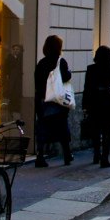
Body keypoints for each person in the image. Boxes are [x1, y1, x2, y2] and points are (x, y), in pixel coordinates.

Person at [33, 35, 73, 167]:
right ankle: (67, 155)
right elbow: (66, 77)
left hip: (44, 99)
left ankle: (40, 156)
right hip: (57, 100)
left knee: (42, 128)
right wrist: (69, 73)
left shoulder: (41, 63)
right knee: (62, 127)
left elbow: (37, 81)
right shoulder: (60, 62)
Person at [83, 45, 110, 168]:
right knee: (107, 130)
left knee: (95, 129)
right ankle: (105, 157)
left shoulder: (91, 69)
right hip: (108, 99)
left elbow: (87, 87)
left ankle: (96, 154)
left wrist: (85, 104)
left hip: (94, 100)